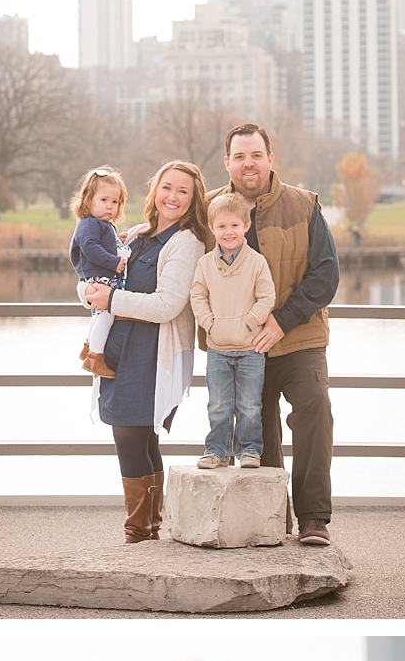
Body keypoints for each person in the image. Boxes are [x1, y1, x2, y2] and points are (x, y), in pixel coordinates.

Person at [220, 122, 341, 545]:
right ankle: (272, 519)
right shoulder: (212, 210)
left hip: (299, 338)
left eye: (256, 155)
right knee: (256, 431)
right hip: (240, 345)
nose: (248, 163)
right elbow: (176, 251)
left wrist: (281, 320)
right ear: (227, 162)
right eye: (239, 156)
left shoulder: (304, 206)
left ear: (271, 159)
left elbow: (326, 274)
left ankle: (313, 518)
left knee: (314, 411)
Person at [80, 160, 212, 541]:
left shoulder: (186, 243)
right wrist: (90, 294)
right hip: (119, 349)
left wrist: (111, 299)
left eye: (183, 191)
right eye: (167, 187)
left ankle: (137, 529)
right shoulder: (136, 235)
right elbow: (94, 278)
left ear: (193, 200)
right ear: (154, 190)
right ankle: (149, 526)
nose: (173, 196)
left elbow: (167, 305)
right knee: (140, 437)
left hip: (151, 353)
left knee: (131, 435)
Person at [189, 190, 277, 469]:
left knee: (250, 406)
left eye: (235, 226)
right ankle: (216, 450)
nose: (229, 232)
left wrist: (250, 322)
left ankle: (249, 450)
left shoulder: (256, 263)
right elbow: (197, 297)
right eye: (222, 226)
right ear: (212, 229)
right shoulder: (205, 264)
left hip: (251, 349)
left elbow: (267, 298)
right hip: (217, 349)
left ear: (246, 226)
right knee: (218, 405)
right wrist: (209, 323)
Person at [68, 166, 130, 371]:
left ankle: (88, 348)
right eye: (104, 200)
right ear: (88, 200)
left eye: (115, 202)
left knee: (100, 315)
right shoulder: (89, 223)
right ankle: (96, 357)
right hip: (99, 277)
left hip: (100, 277)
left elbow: (101, 243)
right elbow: (90, 247)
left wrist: (116, 241)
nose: (110, 206)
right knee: (106, 314)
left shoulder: (102, 224)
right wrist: (113, 262)